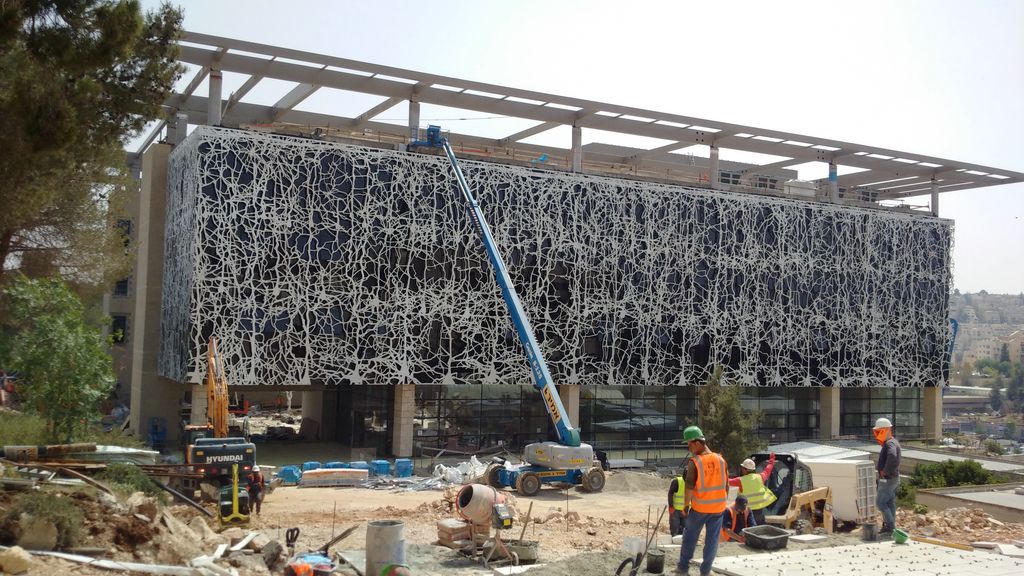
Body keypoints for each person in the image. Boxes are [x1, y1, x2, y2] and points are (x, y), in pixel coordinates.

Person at [676, 425, 728, 576]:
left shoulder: (695, 462)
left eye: (689, 444)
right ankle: (706, 571)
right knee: (712, 541)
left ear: (697, 443)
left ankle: (683, 568)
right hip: (718, 508)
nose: (688, 448)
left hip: (700, 508)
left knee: (689, 538)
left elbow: (689, 486)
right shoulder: (721, 460)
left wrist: (686, 506)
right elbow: (727, 485)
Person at [728, 453, 777, 525]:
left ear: (745, 470)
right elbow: (768, 469)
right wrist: (772, 460)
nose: (741, 470)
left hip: (746, 511)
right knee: (758, 529)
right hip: (759, 511)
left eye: (742, 468)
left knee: (746, 530)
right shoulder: (760, 477)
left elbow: (726, 481)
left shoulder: (740, 480)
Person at [873, 417, 901, 535]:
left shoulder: (890, 444)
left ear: (886, 430)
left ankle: (890, 527)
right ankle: (891, 527)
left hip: (888, 479)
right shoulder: (892, 442)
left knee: (880, 503)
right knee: (889, 503)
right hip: (893, 478)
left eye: (880, 432)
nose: (878, 435)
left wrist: (885, 471)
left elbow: (892, 456)